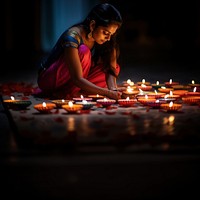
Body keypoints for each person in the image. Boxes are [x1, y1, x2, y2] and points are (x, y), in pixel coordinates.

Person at [34, 3, 123, 100]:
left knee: (113, 67)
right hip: (50, 79)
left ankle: (70, 91)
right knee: (84, 51)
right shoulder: (72, 37)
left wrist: (113, 90)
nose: (109, 38)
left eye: (111, 34)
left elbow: (110, 70)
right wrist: (107, 93)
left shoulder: (104, 40)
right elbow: (77, 78)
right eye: (105, 33)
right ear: (93, 25)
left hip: (76, 79)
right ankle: (67, 92)